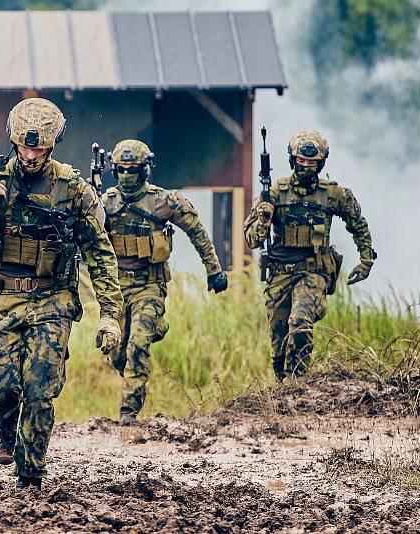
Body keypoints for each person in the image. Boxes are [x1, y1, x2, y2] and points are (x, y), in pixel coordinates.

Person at [0, 98, 122, 490]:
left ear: (52, 146)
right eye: (25, 147)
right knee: (0, 389)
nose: (31, 156)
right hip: (2, 296)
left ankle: (29, 479)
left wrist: (111, 314)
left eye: (40, 149)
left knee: (40, 389)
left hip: (53, 300)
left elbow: (100, 251)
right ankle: (3, 417)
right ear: (14, 143)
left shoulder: (72, 188)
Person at [101, 139, 228, 425]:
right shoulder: (106, 203)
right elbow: (84, 238)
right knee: (117, 353)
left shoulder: (163, 201)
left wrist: (214, 270)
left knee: (137, 346)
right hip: (117, 288)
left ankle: (128, 413)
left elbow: (197, 231)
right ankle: (150, 337)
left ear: (145, 170)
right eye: (120, 169)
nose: (126, 176)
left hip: (149, 287)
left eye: (132, 169)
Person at [243, 130, 376, 381]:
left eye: (312, 163)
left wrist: (366, 259)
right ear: (293, 160)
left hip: (314, 271)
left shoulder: (333, 194)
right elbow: (251, 239)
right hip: (280, 274)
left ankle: (299, 384)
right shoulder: (273, 193)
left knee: (300, 322)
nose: (306, 166)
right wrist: (263, 219)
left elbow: (358, 223)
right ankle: (284, 389)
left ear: (321, 163)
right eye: (301, 161)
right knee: (279, 346)